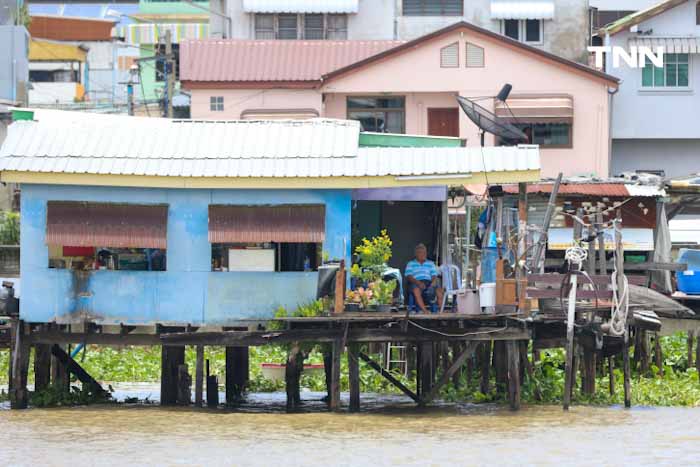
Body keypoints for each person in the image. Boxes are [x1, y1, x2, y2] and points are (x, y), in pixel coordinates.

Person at [405, 243, 443, 313]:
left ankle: (441, 310)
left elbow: (434, 275)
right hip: (416, 282)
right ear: (416, 254)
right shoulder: (411, 263)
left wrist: (433, 283)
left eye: (424, 252)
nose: (423, 254)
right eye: (421, 252)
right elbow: (409, 276)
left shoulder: (430, 263)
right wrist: (418, 283)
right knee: (416, 290)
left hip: (428, 282)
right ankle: (425, 311)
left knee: (438, 288)